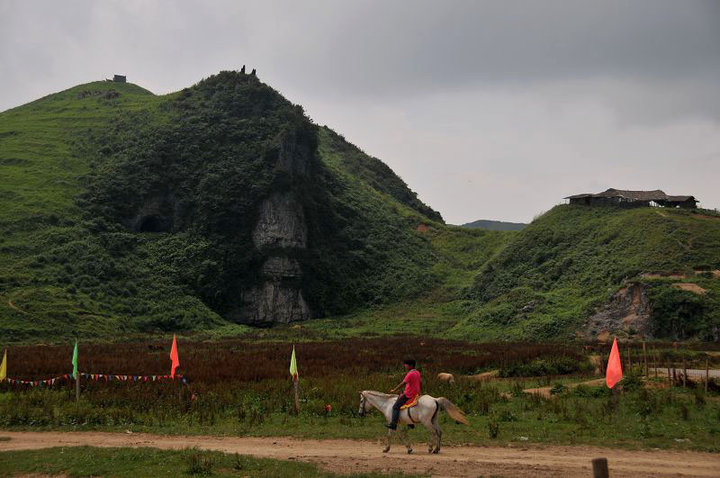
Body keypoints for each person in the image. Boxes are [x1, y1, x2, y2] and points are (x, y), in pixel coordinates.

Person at [386, 358, 421, 430]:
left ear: (411, 365)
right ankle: (410, 423)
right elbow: (419, 383)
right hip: (415, 393)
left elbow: (403, 383)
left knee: (395, 407)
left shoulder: (410, 374)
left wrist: (394, 390)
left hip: (409, 394)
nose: (405, 366)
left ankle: (393, 424)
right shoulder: (417, 372)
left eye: (406, 364)